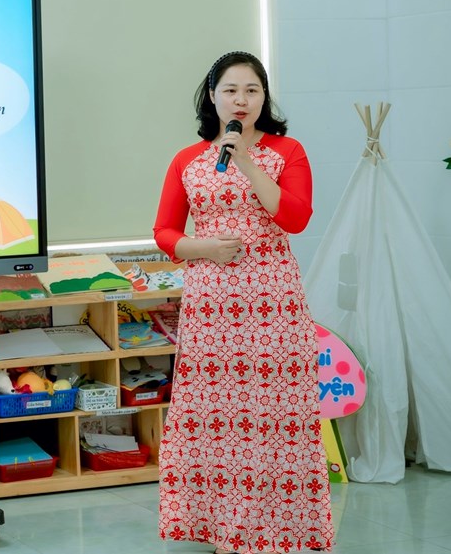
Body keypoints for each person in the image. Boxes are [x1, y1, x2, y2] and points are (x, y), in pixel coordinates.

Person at [152, 51, 333, 554]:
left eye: (252, 90)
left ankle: (277, 528)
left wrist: (247, 162)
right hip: (211, 305)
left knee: (274, 414)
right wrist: (203, 248)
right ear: (212, 96)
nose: (241, 100)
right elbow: (164, 231)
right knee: (218, 416)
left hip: (273, 303)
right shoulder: (187, 160)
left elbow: (295, 218)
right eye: (231, 90)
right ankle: (226, 529)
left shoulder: (287, 151)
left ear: (264, 97)